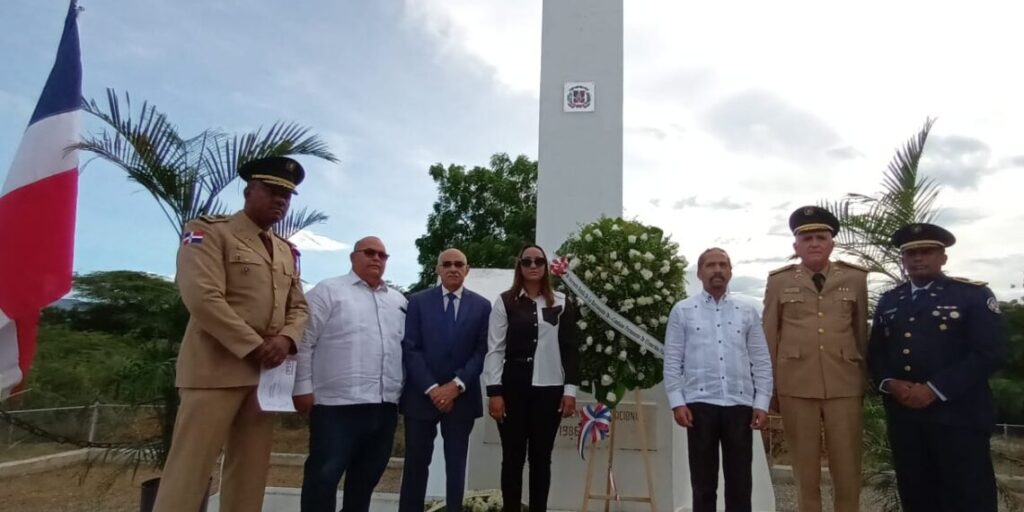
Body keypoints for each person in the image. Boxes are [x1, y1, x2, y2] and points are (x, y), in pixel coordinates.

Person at [153, 156, 309, 512]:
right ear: (249, 190)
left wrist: (285, 339)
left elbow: (298, 306)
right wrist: (255, 345)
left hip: (264, 378)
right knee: (189, 472)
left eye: (287, 195)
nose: (280, 200)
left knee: (249, 475)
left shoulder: (286, 251)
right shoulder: (209, 232)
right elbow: (203, 298)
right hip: (214, 372)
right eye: (271, 190)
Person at [868, 223, 1007, 512]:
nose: (918, 258)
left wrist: (935, 389)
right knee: (917, 495)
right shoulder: (890, 300)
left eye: (927, 251)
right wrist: (888, 383)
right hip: (906, 418)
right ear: (903, 260)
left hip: (958, 416)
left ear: (943, 257)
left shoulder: (972, 295)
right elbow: (876, 354)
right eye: (911, 253)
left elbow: (989, 353)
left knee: (969, 496)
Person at [762, 206, 868, 512]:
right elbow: (769, 333)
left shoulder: (855, 278)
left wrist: (862, 379)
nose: (814, 243)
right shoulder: (780, 281)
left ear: (832, 243)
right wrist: (769, 388)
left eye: (821, 237)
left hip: (844, 383)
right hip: (795, 384)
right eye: (806, 238)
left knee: (847, 467)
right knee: (804, 468)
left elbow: (861, 333)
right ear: (795, 246)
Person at [293, 236, 407, 512]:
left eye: (383, 255)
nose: (376, 259)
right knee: (323, 477)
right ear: (353, 257)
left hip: (383, 406)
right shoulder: (328, 291)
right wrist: (301, 387)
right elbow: (303, 341)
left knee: (365, 480)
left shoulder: (399, 301)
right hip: (336, 406)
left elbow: (406, 348)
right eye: (370, 252)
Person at [664, 247, 773, 512]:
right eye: (711, 265)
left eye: (723, 265)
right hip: (699, 404)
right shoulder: (683, 310)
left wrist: (761, 401)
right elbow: (672, 360)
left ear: (731, 272)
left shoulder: (746, 311)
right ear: (700, 272)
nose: (718, 270)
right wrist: (677, 402)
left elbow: (761, 359)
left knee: (740, 482)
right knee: (703, 484)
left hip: (739, 405)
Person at [482, 244, 579, 512]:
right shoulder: (505, 301)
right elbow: (495, 348)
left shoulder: (561, 301)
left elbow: (570, 349)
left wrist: (569, 391)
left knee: (541, 459)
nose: (533, 266)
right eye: (527, 261)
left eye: (539, 261)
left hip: (550, 392)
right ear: (520, 266)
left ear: (546, 267)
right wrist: (494, 391)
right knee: (512, 459)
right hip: (513, 390)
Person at [398, 248, 492, 512]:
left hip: (462, 398)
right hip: (421, 396)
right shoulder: (417, 301)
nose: (453, 268)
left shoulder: (482, 306)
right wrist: (433, 389)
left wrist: (455, 386)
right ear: (438, 269)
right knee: (415, 465)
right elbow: (411, 347)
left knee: (456, 465)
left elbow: (481, 350)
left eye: (458, 264)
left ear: (467, 269)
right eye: (447, 264)